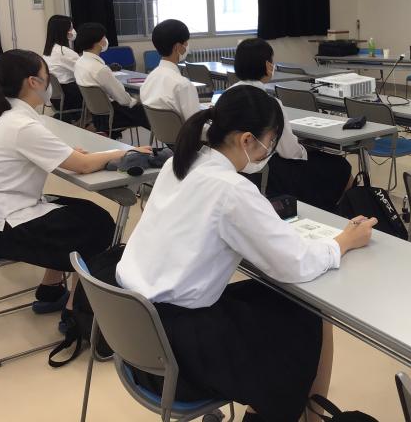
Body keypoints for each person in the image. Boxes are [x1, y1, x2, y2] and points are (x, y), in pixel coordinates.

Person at [115, 85, 376, 422]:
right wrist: (344, 241)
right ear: (247, 140)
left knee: (282, 302)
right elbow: (295, 263)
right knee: (307, 317)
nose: (270, 150)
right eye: (271, 141)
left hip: (137, 330)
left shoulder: (182, 163)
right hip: (176, 353)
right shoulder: (232, 189)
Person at [0, 50, 150, 326]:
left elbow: (58, 155)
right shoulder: (21, 125)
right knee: (97, 224)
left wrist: (69, 154)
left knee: (81, 209)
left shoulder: (2, 115)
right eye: (46, 76)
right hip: (1, 230)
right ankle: (75, 312)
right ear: (33, 82)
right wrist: (124, 152)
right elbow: (83, 166)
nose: (49, 81)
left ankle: (50, 290)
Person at [230, 38, 353, 212]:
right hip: (269, 173)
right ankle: (339, 213)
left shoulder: (227, 95)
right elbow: (290, 152)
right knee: (340, 166)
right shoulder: (270, 103)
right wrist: (306, 150)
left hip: (239, 168)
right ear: (268, 66)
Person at [74, 23, 150, 136]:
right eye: (104, 37)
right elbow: (124, 100)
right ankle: (172, 143)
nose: (106, 39)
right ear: (97, 42)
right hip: (113, 116)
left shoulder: (79, 63)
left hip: (97, 115)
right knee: (152, 114)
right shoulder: (100, 69)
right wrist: (137, 101)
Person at [140, 19, 202, 123]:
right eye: (186, 42)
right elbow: (196, 125)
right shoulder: (183, 85)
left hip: (162, 133)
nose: (187, 45)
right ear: (177, 47)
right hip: (186, 133)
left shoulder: (149, 80)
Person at [42, 14, 82, 121]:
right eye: (71, 28)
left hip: (54, 98)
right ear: (63, 31)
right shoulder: (64, 52)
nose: (73, 31)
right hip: (69, 98)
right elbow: (86, 71)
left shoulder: (48, 51)